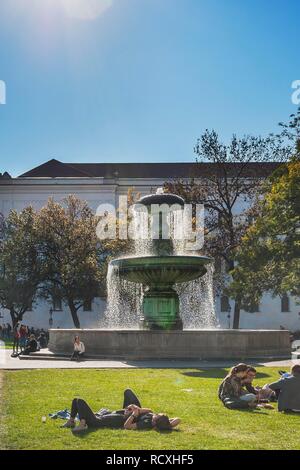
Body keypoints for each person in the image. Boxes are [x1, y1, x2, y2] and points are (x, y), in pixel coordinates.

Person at [62, 389, 180, 433]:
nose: (155, 414)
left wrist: (133, 415)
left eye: (157, 416)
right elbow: (178, 419)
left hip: (99, 421)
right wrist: (135, 408)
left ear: (155, 422)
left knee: (78, 401)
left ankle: (82, 424)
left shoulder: (146, 423)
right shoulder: (156, 418)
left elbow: (127, 426)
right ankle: (72, 421)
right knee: (128, 391)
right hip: (125, 414)